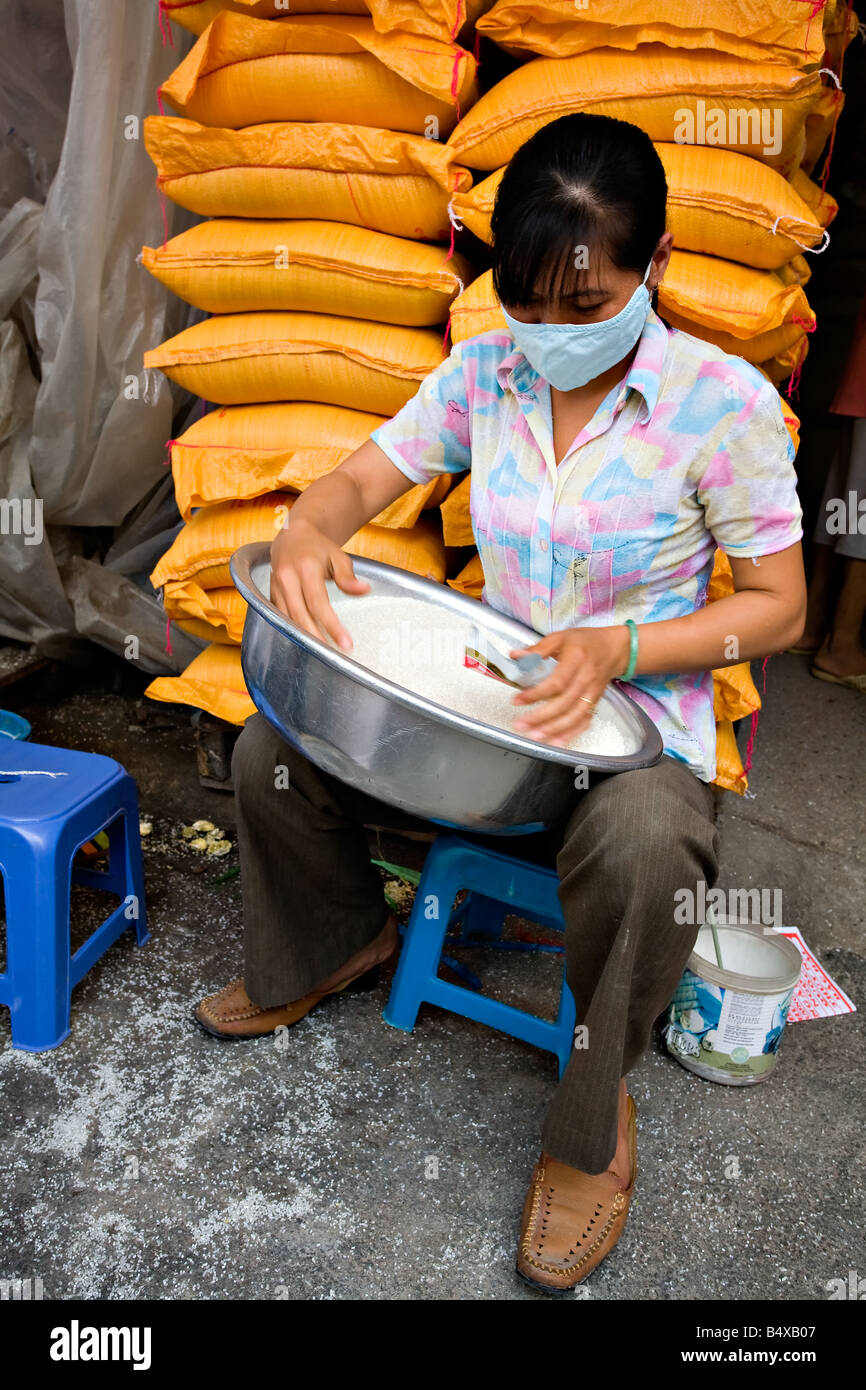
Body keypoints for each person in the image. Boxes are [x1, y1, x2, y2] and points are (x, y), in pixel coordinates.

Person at [194, 113, 807, 1293]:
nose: (553, 337)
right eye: (526, 304)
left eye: (586, 308)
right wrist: (310, 527)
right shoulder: (486, 371)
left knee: (645, 846)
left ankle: (591, 1125)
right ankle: (334, 943)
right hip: (487, 716)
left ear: (656, 269)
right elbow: (371, 474)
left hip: (627, 738)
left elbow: (776, 605)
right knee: (273, 747)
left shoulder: (717, 408)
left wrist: (620, 644)